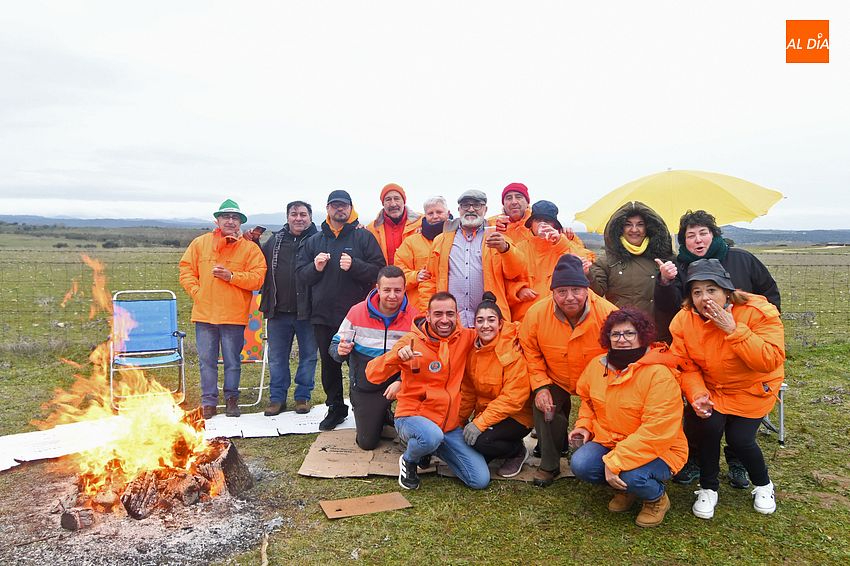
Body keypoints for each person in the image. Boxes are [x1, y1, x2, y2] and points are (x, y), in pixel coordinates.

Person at [656, 209, 781, 488]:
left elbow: (770, 295)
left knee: (739, 436)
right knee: (706, 424)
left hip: (749, 370)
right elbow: (669, 311)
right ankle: (703, 476)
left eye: (703, 233)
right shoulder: (680, 278)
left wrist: (746, 328)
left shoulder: (743, 263)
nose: (698, 239)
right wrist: (664, 281)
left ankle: (743, 467)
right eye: (690, 235)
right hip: (713, 378)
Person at [669, 259, 784, 519]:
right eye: (696, 292)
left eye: (711, 290)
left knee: (740, 440)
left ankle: (763, 485)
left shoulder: (758, 312)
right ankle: (708, 488)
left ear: (727, 291)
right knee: (707, 430)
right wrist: (697, 395)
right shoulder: (683, 320)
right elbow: (685, 366)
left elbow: (769, 359)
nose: (704, 298)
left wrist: (732, 329)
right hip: (714, 389)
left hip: (752, 388)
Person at [569, 307, 688, 528]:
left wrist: (615, 461)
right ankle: (624, 489)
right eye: (616, 334)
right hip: (610, 440)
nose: (622, 339)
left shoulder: (659, 374)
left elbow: (656, 431)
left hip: (661, 449)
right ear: (608, 338)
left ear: (642, 336)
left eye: (629, 334)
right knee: (581, 464)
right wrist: (584, 425)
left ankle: (656, 499)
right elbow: (587, 400)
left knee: (633, 474)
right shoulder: (597, 366)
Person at [365, 292, 489, 491]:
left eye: (450, 314)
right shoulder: (411, 341)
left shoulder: (465, 337)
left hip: (448, 425)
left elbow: (497, 330)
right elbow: (372, 374)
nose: (445, 320)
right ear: (428, 316)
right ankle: (410, 459)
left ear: (457, 315)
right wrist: (396, 357)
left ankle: (429, 449)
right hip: (412, 417)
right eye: (438, 314)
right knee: (431, 436)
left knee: (479, 480)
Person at [519, 254, 618, 487]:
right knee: (543, 405)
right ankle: (550, 464)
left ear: (587, 289)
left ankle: (605, 457)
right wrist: (542, 386)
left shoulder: (608, 314)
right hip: (557, 377)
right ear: (553, 292)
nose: (569, 297)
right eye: (562, 291)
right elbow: (531, 353)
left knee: (610, 413)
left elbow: (619, 354)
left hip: (598, 381)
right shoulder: (536, 314)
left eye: (576, 289)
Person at [296, 190, 386, 431]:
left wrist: (355, 265)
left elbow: (380, 271)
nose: (340, 210)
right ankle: (335, 407)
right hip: (323, 315)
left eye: (344, 206)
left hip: (359, 317)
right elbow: (301, 275)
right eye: (335, 206)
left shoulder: (363, 237)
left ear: (350, 208)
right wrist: (315, 267)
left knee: (362, 363)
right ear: (327, 209)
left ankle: (370, 407)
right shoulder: (314, 241)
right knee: (329, 363)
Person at [178, 199, 266, 419]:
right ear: (217, 220)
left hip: (233, 315)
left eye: (235, 217)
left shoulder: (250, 249)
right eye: (226, 217)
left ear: (240, 222)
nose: (230, 221)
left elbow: (258, 278)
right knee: (206, 361)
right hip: (205, 315)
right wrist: (198, 292)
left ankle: (231, 400)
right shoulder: (199, 243)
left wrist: (232, 277)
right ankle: (208, 402)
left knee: (232, 361)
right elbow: (186, 270)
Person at [329, 265, 419, 450]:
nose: (392, 295)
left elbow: (423, 358)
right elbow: (334, 345)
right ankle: (381, 415)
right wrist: (340, 350)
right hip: (366, 386)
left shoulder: (415, 317)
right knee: (367, 443)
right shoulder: (356, 312)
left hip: (402, 385)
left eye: (398, 290)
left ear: (404, 289)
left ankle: (393, 416)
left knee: (415, 441)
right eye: (387, 290)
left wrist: (403, 381)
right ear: (377, 288)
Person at [246, 200, 319, 416]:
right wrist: (254, 242)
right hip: (278, 311)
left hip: (309, 311)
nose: (298, 218)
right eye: (294, 214)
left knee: (309, 357)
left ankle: (302, 397)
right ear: (287, 217)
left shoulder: (318, 240)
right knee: (278, 358)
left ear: (310, 217)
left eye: (303, 214)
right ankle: (277, 399)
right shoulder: (275, 240)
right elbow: (260, 262)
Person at [419, 189, 527, 325]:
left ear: (485, 209)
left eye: (477, 205)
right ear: (459, 209)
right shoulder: (440, 241)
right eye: (465, 205)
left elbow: (514, 273)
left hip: (488, 324)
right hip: (451, 324)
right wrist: (426, 314)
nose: (471, 209)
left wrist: (505, 249)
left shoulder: (498, 238)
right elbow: (429, 281)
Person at [459, 292, 533, 478]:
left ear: (500, 324)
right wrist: (458, 420)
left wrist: (479, 423)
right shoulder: (473, 352)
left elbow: (513, 399)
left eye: (491, 320)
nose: (485, 326)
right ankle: (494, 443)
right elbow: (468, 391)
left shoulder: (511, 351)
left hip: (517, 416)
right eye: (480, 320)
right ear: (474, 324)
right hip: (488, 414)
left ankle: (516, 451)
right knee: (465, 438)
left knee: (481, 442)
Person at [586, 201, 675, 342]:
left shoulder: (665, 259)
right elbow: (596, 293)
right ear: (620, 228)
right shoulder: (606, 261)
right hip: (624, 337)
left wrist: (666, 280)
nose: (634, 229)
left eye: (640, 224)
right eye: (628, 224)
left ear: (648, 228)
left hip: (661, 337)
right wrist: (587, 274)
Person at [509, 200, 596, 321]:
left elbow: (586, 258)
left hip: (558, 319)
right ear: (531, 224)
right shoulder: (518, 248)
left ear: (555, 225)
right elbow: (505, 280)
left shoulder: (563, 245)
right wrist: (518, 291)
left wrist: (562, 241)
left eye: (547, 221)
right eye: (538, 220)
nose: (543, 224)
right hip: (525, 318)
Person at [394, 196, 451, 310]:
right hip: (420, 309)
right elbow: (397, 274)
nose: (435, 216)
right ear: (424, 216)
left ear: (448, 213)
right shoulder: (411, 242)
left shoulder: (458, 239)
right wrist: (415, 276)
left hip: (453, 307)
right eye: (430, 213)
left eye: (439, 212)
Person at [366, 183, 422, 265]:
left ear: (404, 201)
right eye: (388, 199)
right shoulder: (371, 228)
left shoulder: (422, 222)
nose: (393, 204)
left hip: (414, 276)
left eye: (397, 199)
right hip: (385, 276)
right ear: (383, 203)